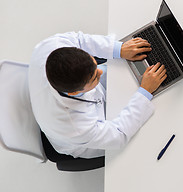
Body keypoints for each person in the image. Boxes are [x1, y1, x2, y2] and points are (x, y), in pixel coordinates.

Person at [28, 31, 166, 158]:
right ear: (74, 92)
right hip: (83, 141)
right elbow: (118, 135)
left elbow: (81, 41)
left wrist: (119, 49)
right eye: (94, 78)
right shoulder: (76, 126)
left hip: (72, 104)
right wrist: (145, 92)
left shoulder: (50, 47)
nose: (100, 72)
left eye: (95, 65)